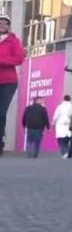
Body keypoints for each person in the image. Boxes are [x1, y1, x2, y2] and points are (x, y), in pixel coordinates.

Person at [0, 13, 25, 155]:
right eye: (0, 23)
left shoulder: (13, 40)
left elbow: (19, 58)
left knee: (1, 112)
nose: (2, 25)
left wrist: (1, 61)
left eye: (5, 23)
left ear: (8, 26)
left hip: (8, 82)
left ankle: (0, 143)